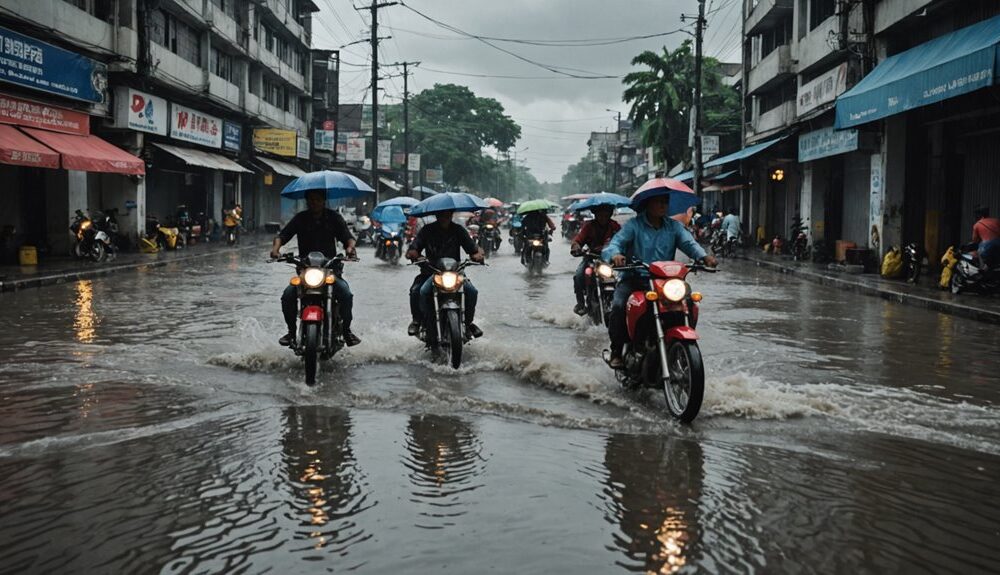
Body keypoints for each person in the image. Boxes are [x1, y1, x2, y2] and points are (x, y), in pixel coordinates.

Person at [602, 195, 718, 369]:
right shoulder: (634, 225)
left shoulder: (674, 226)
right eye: (659, 202)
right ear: (648, 204)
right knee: (619, 306)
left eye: (665, 202)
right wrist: (615, 255)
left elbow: (689, 243)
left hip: (667, 282)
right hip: (636, 279)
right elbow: (615, 244)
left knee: (689, 302)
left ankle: (676, 345)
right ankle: (616, 351)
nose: (664, 205)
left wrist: (703, 256)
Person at [271, 190, 360, 347]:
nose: (314, 202)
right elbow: (282, 235)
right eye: (311, 200)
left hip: (330, 270)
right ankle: (291, 332)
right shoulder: (300, 218)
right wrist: (276, 250)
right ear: (307, 201)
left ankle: (346, 331)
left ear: (323, 201)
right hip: (306, 270)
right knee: (287, 295)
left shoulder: (334, 218)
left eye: (317, 199)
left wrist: (350, 249)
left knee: (346, 294)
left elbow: (348, 238)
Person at [405, 210, 486, 340]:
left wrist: (477, 255)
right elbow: (413, 248)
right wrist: (415, 254)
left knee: (472, 291)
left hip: (455, 273)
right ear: (437, 216)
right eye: (442, 215)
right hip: (431, 272)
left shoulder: (458, 230)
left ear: (451, 215)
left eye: (447, 215)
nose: (444, 217)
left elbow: (473, 249)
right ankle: (417, 321)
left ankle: (468, 323)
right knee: (417, 291)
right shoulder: (427, 230)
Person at [570, 204, 621, 315]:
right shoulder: (588, 226)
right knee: (578, 276)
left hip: (609, 261)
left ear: (610, 215)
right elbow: (578, 240)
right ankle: (581, 304)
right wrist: (576, 247)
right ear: (595, 215)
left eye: (605, 215)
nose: (603, 218)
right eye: (600, 215)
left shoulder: (615, 226)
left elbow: (623, 240)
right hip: (591, 259)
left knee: (623, 279)